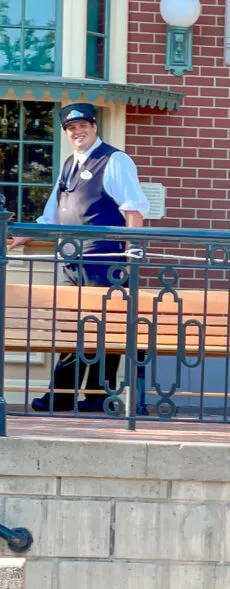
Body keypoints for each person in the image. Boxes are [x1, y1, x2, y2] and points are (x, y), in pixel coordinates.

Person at [9, 102, 150, 413]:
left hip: (104, 258)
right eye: (71, 128)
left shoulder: (114, 160)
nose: (77, 131)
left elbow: (133, 209)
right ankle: (67, 395)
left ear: (94, 127)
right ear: (66, 133)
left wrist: (132, 255)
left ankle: (97, 397)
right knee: (71, 328)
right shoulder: (69, 165)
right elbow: (52, 216)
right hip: (70, 261)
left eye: (83, 125)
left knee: (104, 329)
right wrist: (20, 238)